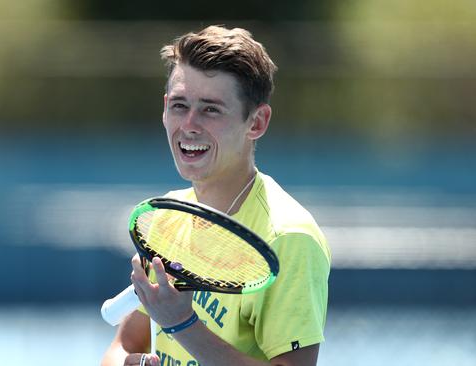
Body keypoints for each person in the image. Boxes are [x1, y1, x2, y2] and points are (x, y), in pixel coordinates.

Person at [101, 25, 330, 366]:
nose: (189, 124)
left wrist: (181, 324)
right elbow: (123, 344)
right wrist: (126, 363)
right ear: (165, 109)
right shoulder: (166, 218)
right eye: (180, 105)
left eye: (211, 109)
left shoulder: (289, 237)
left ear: (257, 122)